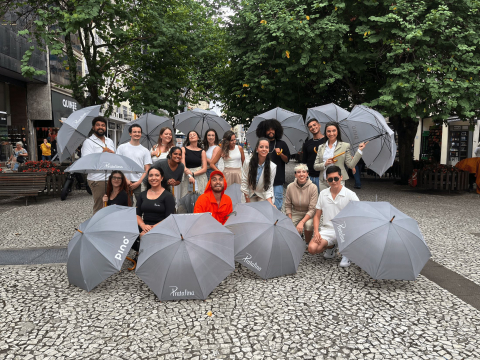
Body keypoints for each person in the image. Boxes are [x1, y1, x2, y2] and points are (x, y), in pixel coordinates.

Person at [308, 166, 359, 267]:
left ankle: (346, 253)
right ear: (326, 180)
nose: (333, 181)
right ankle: (332, 246)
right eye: (330, 179)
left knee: (343, 264)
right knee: (312, 249)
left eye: (336, 178)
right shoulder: (323, 194)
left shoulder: (350, 195)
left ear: (341, 177)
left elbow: (359, 215)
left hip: (345, 230)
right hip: (328, 229)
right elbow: (317, 216)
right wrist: (316, 232)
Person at [313, 122, 367, 192]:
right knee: (325, 202)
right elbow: (315, 166)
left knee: (338, 202)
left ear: (337, 132)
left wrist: (359, 150)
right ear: (325, 133)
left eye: (334, 131)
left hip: (338, 181)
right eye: (329, 131)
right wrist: (325, 164)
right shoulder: (321, 147)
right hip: (323, 181)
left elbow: (351, 165)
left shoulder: (345, 146)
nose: (331, 133)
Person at [81, 116, 116, 214]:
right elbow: (87, 161)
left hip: (111, 178)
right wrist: (102, 154)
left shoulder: (110, 141)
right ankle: (97, 228)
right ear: (93, 127)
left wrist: (112, 153)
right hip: (97, 179)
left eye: (103, 125)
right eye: (98, 125)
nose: (101, 127)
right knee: (100, 205)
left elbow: (114, 159)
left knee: (111, 205)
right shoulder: (88, 142)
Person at [135, 167, 176, 250]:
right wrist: (143, 226)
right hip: (144, 226)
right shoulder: (142, 195)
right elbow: (137, 215)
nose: (153, 178)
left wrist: (152, 229)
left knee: (145, 237)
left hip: (162, 227)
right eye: (151, 175)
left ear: (162, 178)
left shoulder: (168, 196)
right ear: (148, 178)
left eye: (157, 175)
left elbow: (169, 218)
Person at [255, 119, 290, 210]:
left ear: (276, 130)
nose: (271, 131)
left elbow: (287, 160)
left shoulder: (282, 143)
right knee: (264, 204)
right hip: (264, 180)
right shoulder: (261, 144)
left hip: (278, 180)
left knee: (277, 204)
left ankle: (276, 222)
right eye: (268, 129)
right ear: (264, 131)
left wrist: (281, 154)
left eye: (272, 129)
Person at [116, 124, 152, 205]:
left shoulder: (145, 150)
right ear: (130, 133)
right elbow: (118, 165)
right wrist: (126, 179)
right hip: (123, 181)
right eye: (134, 132)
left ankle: (138, 218)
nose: (137, 134)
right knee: (126, 204)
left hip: (138, 181)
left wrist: (139, 182)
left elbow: (147, 168)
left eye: (139, 132)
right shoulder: (122, 148)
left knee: (141, 204)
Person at [285, 164, 318, 243]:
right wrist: (289, 218)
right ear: (295, 175)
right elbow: (288, 205)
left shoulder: (313, 187)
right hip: (295, 211)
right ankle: (298, 235)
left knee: (308, 225)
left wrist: (302, 222)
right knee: (288, 226)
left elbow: (312, 209)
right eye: (298, 172)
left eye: (304, 172)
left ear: (307, 174)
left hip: (309, 213)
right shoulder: (290, 187)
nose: (301, 174)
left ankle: (307, 242)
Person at [241, 138, 277, 204]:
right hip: (249, 194)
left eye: (266, 147)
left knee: (267, 211)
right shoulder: (248, 163)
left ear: (269, 150)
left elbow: (269, 187)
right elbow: (244, 182)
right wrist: (248, 202)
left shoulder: (272, 166)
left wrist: (271, 204)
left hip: (263, 195)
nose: (264, 149)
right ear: (257, 149)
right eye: (261, 147)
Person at [180, 130, 208, 197]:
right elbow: (182, 165)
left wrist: (193, 174)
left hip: (200, 176)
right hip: (187, 175)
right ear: (188, 138)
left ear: (198, 138)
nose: (192, 136)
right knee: (186, 198)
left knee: (200, 198)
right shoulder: (183, 149)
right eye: (190, 135)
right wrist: (189, 175)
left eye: (194, 134)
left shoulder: (202, 151)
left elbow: (204, 168)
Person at [302, 118, 327, 191]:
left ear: (319, 125)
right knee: (310, 199)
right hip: (310, 176)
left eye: (314, 125)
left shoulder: (327, 141)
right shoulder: (307, 144)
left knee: (322, 199)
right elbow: (304, 161)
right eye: (310, 127)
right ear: (309, 129)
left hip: (323, 175)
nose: (313, 127)